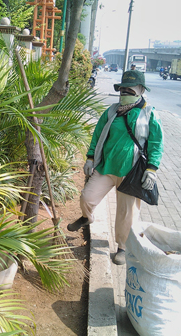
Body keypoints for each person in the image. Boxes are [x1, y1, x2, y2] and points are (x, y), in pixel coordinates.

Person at [67, 70, 164, 265]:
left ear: (141, 90)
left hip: (131, 172)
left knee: (126, 213)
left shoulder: (149, 113)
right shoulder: (111, 111)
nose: (124, 93)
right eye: (122, 89)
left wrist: (152, 169)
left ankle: (122, 248)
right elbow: (97, 135)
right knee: (87, 197)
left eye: (129, 89)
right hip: (106, 166)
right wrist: (90, 158)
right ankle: (87, 217)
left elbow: (156, 143)